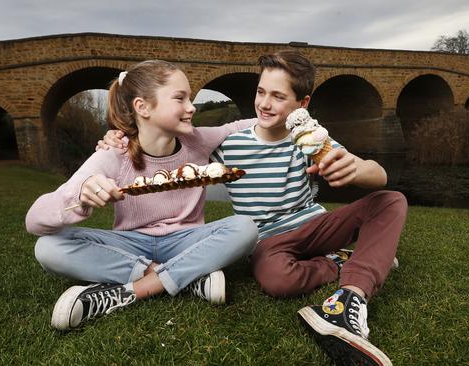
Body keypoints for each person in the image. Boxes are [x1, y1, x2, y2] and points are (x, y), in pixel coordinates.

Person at [99, 51, 407, 365]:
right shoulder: (228, 146)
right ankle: (342, 262)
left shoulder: (311, 139)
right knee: (277, 280)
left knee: (391, 201)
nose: (265, 103)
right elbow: (165, 147)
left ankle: (349, 299)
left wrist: (356, 170)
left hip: (315, 226)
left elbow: (378, 174)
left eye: (277, 96)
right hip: (266, 243)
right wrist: (121, 137)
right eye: (261, 92)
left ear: (302, 104)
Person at [25, 60, 258, 331]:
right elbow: (34, 221)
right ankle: (191, 277)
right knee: (48, 247)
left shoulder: (197, 139)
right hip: (130, 243)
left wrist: (296, 119)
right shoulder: (114, 154)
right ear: (142, 107)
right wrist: (81, 194)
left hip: (187, 239)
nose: (191, 107)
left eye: (190, 98)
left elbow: (246, 125)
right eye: (179, 98)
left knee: (244, 227)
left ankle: (130, 290)